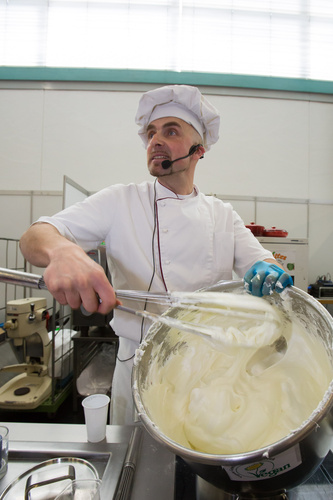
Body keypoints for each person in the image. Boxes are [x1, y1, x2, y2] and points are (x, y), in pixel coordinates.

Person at [20, 85, 292, 424]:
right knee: (136, 468)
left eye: (171, 130)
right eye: (150, 133)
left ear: (199, 150)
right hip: (137, 366)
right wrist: (61, 250)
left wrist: (268, 269)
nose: (155, 141)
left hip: (211, 372)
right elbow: (34, 236)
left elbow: (259, 260)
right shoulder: (120, 201)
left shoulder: (222, 215)